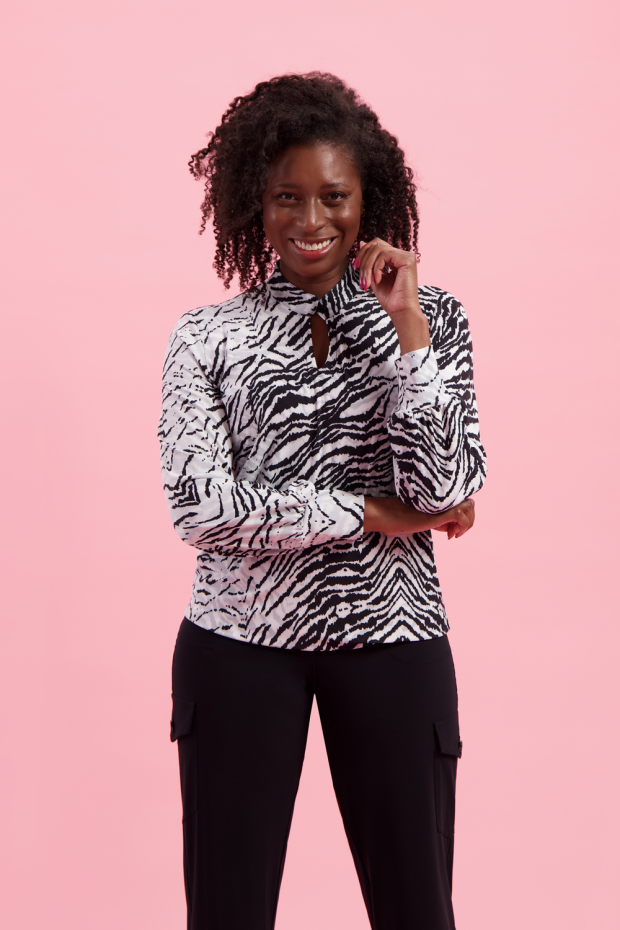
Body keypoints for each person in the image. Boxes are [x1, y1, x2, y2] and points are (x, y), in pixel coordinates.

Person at [159, 72, 486, 930]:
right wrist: (369, 513)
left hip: (393, 636)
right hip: (238, 645)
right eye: (287, 197)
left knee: (418, 911)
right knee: (226, 913)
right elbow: (200, 507)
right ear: (254, 203)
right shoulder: (207, 337)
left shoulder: (435, 319)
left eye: (334, 196)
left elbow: (445, 490)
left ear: (366, 199)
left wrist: (406, 327)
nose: (311, 219)